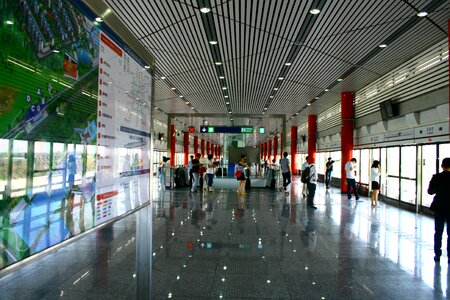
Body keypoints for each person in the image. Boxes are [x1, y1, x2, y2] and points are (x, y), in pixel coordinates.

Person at [427, 157, 450, 263]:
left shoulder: (436, 177)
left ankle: (437, 254)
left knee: (438, 232)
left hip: (439, 206)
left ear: (442, 166)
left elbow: (430, 191)